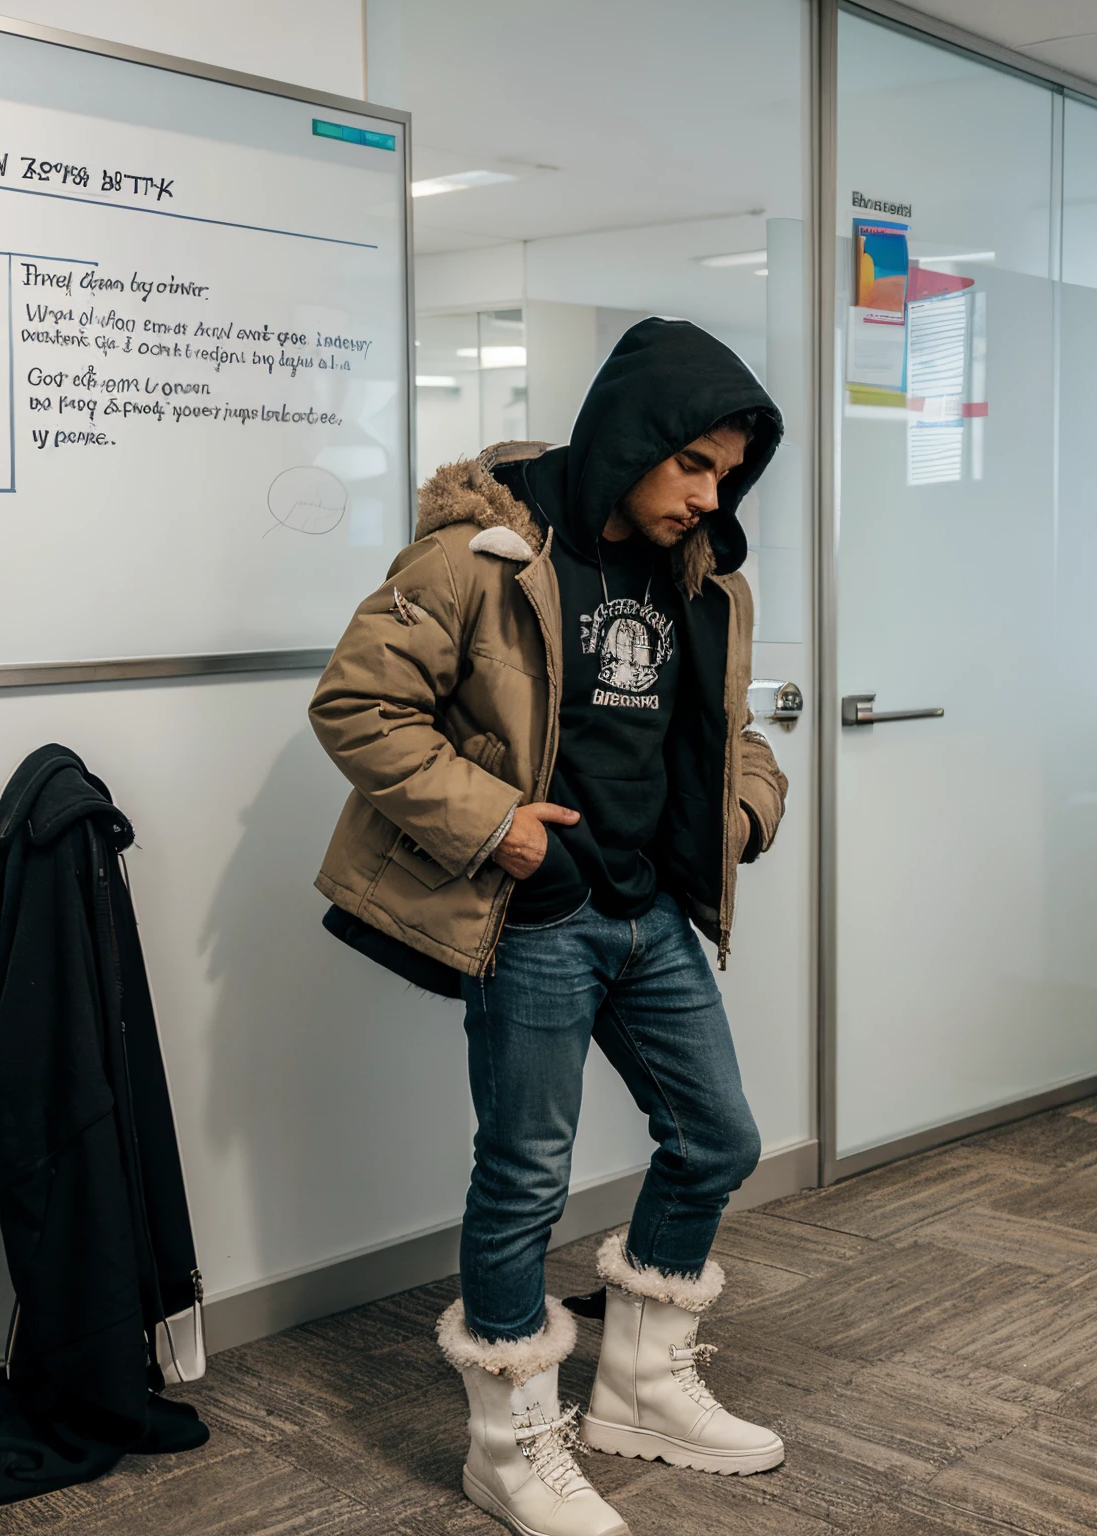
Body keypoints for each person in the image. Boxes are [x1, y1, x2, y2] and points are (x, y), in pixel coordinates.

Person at [310, 318, 789, 1536]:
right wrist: (505, 830)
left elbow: (732, 729)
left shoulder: (703, 577)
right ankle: (511, 1446)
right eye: (694, 465)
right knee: (526, 1175)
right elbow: (359, 705)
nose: (709, 494)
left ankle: (636, 1388)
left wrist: (744, 808)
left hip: (650, 910)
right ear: (634, 435)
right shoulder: (485, 553)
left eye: (727, 475)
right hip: (533, 914)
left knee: (718, 1138)